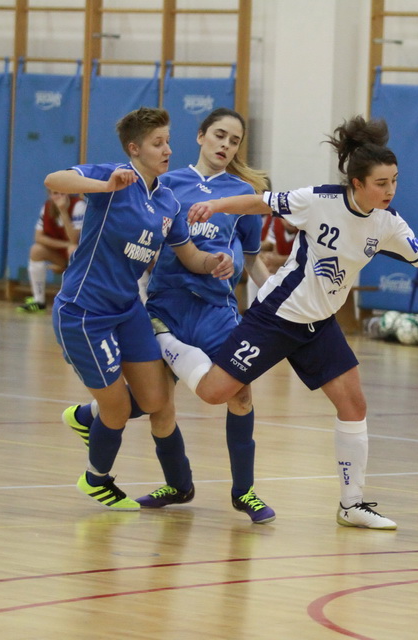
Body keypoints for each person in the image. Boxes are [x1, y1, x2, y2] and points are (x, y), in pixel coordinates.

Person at [154, 115, 418, 528]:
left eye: (394, 181)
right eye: (381, 183)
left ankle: (352, 504)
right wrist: (214, 204)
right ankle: (164, 340)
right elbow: (258, 202)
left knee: (353, 403)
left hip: (318, 325)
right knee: (215, 393)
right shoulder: (318, 200)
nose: (390, 190)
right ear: (357, 183)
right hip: (276, 316)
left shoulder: (388, 225)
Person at [61, 107, 277, 523]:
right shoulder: (166, 186)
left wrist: (269, 301)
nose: (225, 146)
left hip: (216, 310)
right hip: (166, 306)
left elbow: (251, 262)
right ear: (200, 136)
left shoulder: (242, 195)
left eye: (234, 141)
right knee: (158, 404)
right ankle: (178, 484)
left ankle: (244, 492)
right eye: (219, 135)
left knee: (240, 392)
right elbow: (151, 244)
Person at [17, 190, 85, 313]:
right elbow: (38, 237)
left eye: (62, 193)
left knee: (73, 249)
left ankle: (74, 300)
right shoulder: (47, 207)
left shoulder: (78, 206)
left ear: (68, 193)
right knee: (36, 250)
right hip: (63, 252)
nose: (58, 196)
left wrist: (63, 211)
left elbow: (74, 239)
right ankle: (39, 301)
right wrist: (65, 245)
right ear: (49, 195)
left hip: (82, 255)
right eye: (54, 193)